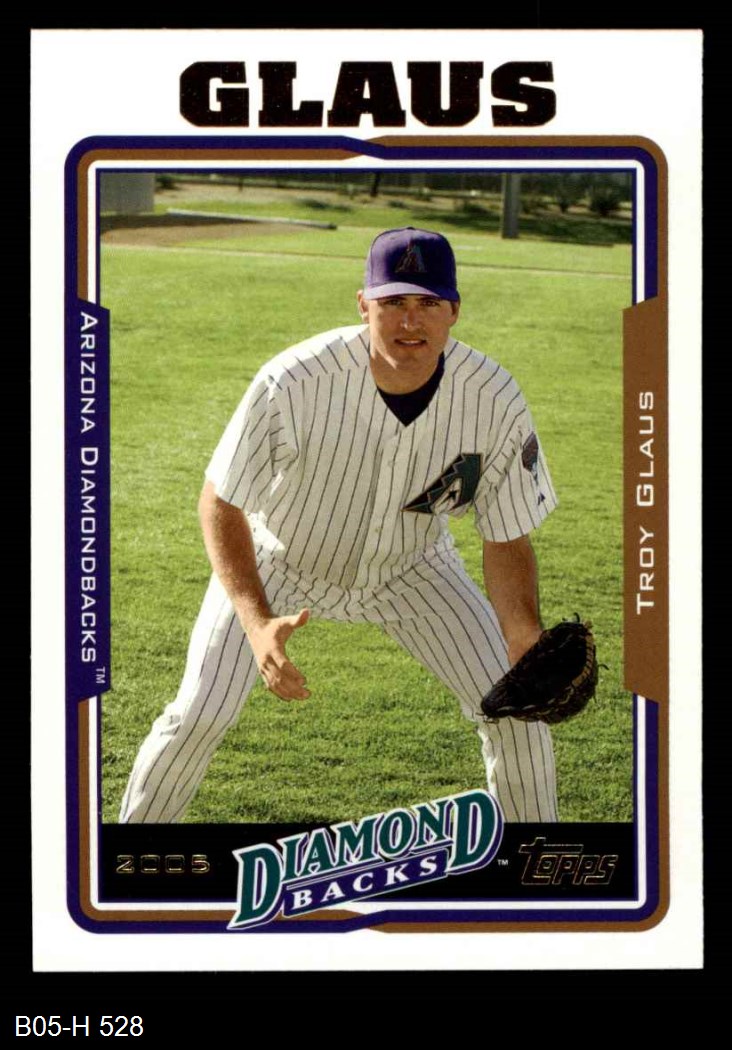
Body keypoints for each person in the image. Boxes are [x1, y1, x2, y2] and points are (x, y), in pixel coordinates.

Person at [120, 226, 559, 824]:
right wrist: (255, 621)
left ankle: (533, 864)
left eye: (428, 302)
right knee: (198, 713)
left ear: (455, 310)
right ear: (363, 305)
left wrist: (522, 633)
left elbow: (505, 532)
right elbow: (221, 502)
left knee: (517, 712)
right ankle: (129, 857)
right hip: (281, 561)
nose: (411, 320)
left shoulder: (494, 399)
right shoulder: (294, 381)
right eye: (393, 301)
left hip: (413, 568)